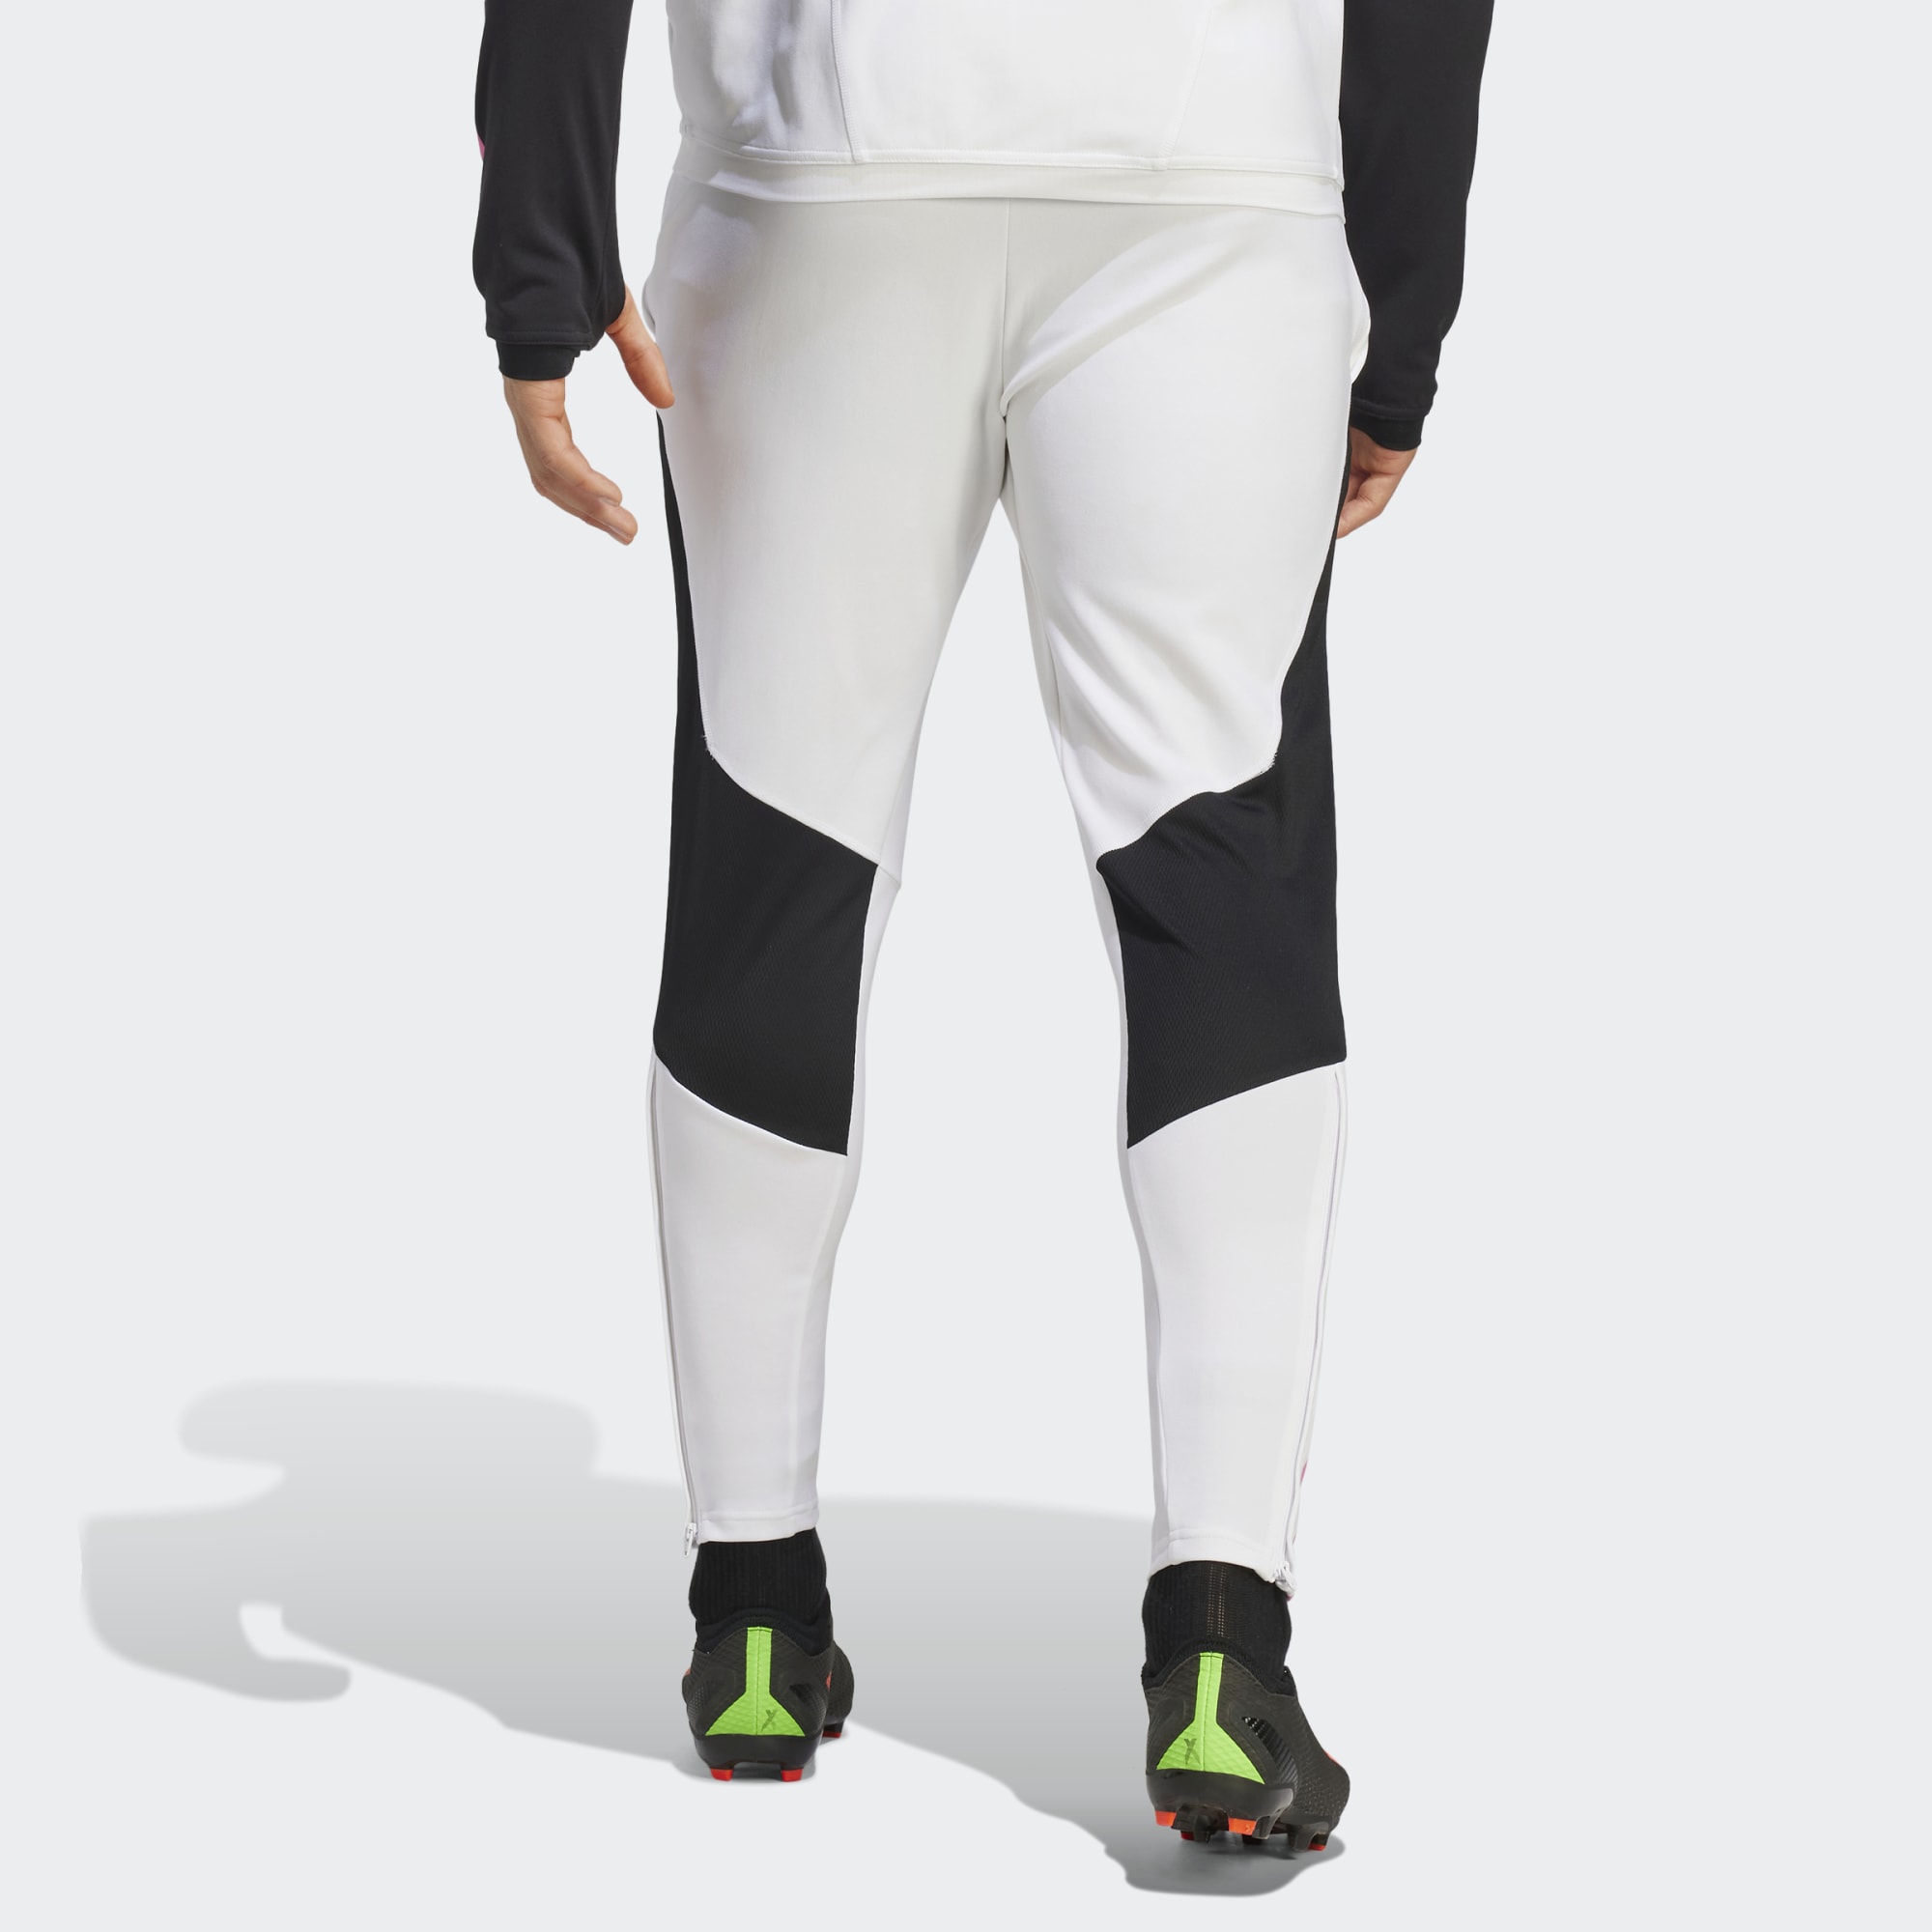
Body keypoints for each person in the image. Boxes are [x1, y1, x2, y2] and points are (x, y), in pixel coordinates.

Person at [474, 0, 1492, 1847]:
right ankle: (1223, 1655)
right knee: (1222, 887)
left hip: (817, 172)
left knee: (777, 865)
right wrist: (1400, 311)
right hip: (1213, 184)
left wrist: (539, 252)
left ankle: (754, 1616)